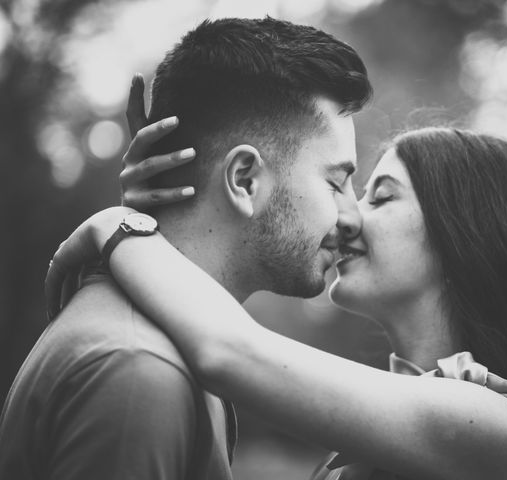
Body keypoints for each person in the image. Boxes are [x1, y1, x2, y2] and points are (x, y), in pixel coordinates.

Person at [44, 125, 507, 479]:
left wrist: (119, 227)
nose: (345, 216)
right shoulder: (404, 417)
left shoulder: (496, 427)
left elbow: (227, 352)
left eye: (380, 196)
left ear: (466, 237)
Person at [0, 17, 372, 480]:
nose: (353, 214)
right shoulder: (139, 372)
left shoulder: (166, 350)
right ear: (244, 180)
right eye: (336, 183)